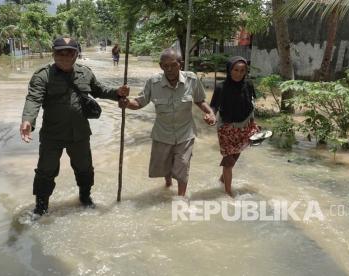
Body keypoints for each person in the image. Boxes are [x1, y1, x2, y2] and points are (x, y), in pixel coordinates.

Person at [20, 36, 129, 215]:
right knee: (45, 171)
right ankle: (41, 207)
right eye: (60, 52)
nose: (65, 56)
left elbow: (100, 90)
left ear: (76, 54)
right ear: (53, 54)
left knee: (85, 168)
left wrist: (117, 93)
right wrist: (27, 121)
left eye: (69, 52)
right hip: (52, 134)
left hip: (79, 133)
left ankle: (85, 198)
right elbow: (33, 98)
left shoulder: (85, 73)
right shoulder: (43, 75)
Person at [121, 48, 216, 196]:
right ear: (160, 66)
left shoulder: (192, 80)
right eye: (165, 66)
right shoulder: (153, 83)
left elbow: (199, 100)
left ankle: (180, 200)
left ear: (181, 64)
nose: (169, 69)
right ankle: (168, 184)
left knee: (183, 166)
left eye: (173, 65)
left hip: (185, 134)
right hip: (162, 134)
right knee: (165, 166)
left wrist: (210, 113)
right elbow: (139, 103)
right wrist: (126, 102)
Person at [210, 56, 260, 197]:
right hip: (226, 128)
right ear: (229, 70)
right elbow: (214, 106)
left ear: (245, 72)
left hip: (245, 126)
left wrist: (254, 123)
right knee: (228, 161)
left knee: (235, 157)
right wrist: (211, 115)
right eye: (236, 70)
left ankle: (222, 180)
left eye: (242, 70)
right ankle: (227, 192)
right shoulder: (221, 87)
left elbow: (251, 104)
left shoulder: (248, 85)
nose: (239, 73)